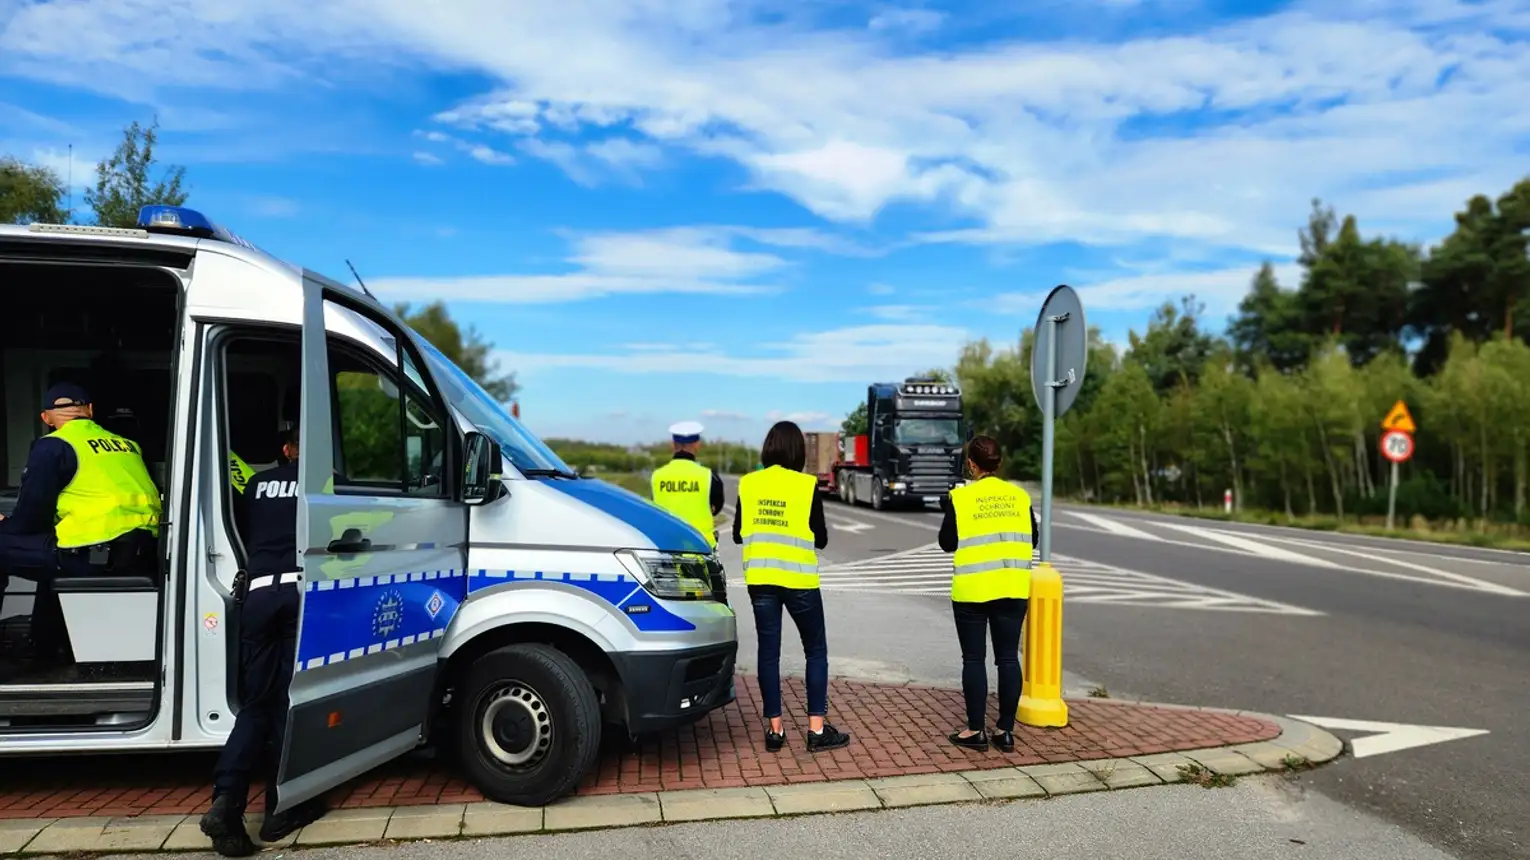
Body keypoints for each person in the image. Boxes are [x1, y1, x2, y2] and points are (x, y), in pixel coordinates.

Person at [199, 427, 327, 857]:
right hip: (297, 595)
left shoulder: (255, 484)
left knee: (257, 704)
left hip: (256, 596)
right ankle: (280, 810)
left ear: (284, 450)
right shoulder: (322, 485)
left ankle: (227, 802)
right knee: (289, 702)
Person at [0, 383, 162, 677]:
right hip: (138, 551)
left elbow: (30, 516)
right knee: (46, 553)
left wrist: (6, 525)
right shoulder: (128, 444)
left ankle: (38, 647)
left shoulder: (53, 445)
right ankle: (45, 643)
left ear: (46, 419)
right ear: (90, 410)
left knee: (23, 548)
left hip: (92, 555)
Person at [732, 420, 850, 753]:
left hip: (762, 580)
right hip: (799, 581)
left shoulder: (749, 484)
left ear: (768, 448)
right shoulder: (806, 485)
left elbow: (739, 532)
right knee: (815, 651)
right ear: (798, 451)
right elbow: (821, 537)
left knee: (768, 653)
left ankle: (774, 730)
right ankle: (816, 730)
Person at [937, 435, 1037, 753]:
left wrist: (948, 510)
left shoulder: (961, 498)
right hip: (1012, 586)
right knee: (1008, 657)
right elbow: (1032, 539)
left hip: (972, 589)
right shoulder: (1020, 497)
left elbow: (947, 542)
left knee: (974, 659)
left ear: (971, 464)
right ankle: (1005, 731)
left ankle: (975, 731)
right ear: (1000, 463)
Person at [650, 421, 725, 549]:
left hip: (667, 549)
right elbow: (716, 507)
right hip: (700, 549)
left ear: (673, 445)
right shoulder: (709, 476)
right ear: (697, 445)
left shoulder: (657, 476)